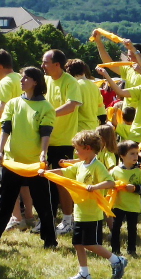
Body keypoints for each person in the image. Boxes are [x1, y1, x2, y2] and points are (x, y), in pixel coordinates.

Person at [0, 67, 59, 249]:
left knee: (43, 204)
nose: (21, 80)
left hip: (34, 164)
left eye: (25, 78)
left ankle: (50, 240)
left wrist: (43, 153)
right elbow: (5, 128)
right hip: (12, 161)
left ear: (35, 82)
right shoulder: (13, 103)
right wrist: (0, 151)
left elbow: (45, 132)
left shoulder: (46, 107)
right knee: (5, 202)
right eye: (21, 77)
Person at [54, 129, 126, 279]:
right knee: (77, 243)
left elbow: (110, 182)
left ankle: (116, 260)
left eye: (77, 149)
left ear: (88, 148)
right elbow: (64, 171)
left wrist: (95, 187)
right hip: (79, 212)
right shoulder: (81, 165)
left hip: (92, 214)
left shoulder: (97, 166)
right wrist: (46, 172)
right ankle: (84, 273)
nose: (75, 152)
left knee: (90, 244)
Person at [42, 49, 83, 235]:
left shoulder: (70, 82)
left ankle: (68, 220)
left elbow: (72, 105)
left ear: (57, 64)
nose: (42, 65)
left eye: (46, 62)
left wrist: (49, 114)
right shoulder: (46, 81)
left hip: (64, 140)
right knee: (46, 182)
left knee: (63, 182)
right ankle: (48, 219)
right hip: (46, 140)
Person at [110, 139, 141, 258]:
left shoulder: (139, 172)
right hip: (118, 204)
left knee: (132, 228)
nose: (135, 156)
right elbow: (109, 185)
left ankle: (131, 250)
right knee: (115, 228)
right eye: (132, 153)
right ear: (122, 155)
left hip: (133, 206)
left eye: (137, 153)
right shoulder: (115, 171)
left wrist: (136, 188)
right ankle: (115, 250)